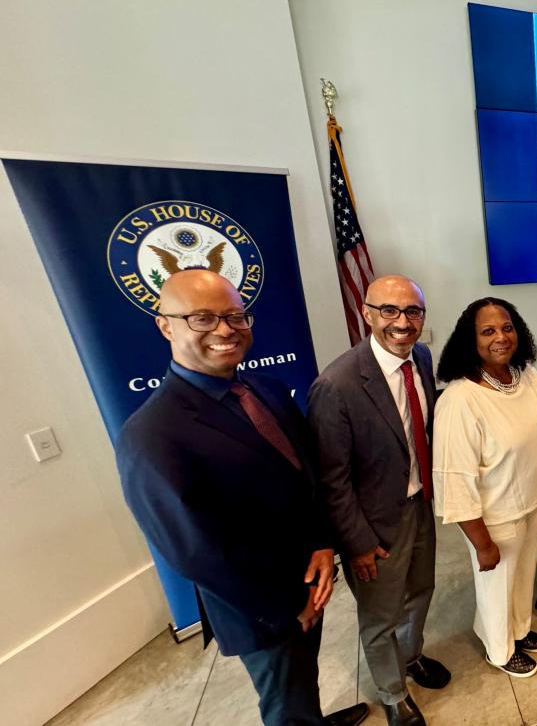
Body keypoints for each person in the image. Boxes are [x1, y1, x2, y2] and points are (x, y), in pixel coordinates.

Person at [115, 270, 367, 726]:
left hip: (309, 580)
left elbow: (305, 475)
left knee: (301, 686)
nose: (226, 329)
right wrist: (287, 609)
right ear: (165, 325)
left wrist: (323, 542)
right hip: (261, 612)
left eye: (234, 315)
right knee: (285, 705)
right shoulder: (152, 435)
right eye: (203, 318)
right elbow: (196, 553)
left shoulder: (262, 389)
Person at [308, 275, 450, 726]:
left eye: (413, 312)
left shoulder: (422, 358)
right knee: (379, 617)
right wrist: (358, 543)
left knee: (421, 592)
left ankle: (409, 659)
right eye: (389, 310)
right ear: (367, 314)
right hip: (373, 527)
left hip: (420, 506)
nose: (402, 322)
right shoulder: (336, 385)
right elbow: (332, 480)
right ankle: (392, 694)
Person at [433, 298, 537, 678]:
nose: (500, 337)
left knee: (521, 577)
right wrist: (481, 542)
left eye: (507, 327)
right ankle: (499, 650)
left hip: (532, 501)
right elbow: (453, 479)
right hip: (494, 517)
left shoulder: (526, 375)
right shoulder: (460, 399)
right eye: (488, 331)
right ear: (471, 340)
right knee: (495, 587)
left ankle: (517, 630)